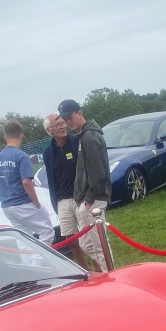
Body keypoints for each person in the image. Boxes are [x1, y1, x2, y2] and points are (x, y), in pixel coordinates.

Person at [58, 99, 110, 271]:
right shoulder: (84, 136)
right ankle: (109, 271)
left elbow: (98, 172)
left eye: (70, 117)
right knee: (86, 244)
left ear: (79, 113)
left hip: (94, 198)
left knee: (99, 247)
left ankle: (110, 275)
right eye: (65, 119)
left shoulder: (90, 137)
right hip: (86, 199)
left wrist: (89, 199)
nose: (68, 122)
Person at [42, 112, 93, 268]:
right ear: (49, 131)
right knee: (71, 241)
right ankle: (85, 271)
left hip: (80, 197)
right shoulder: (48, 153)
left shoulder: (77, 142)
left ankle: (100, 269)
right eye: (57, 124)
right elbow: (52, 180)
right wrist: (55, 203)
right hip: (62, 201)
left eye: (63, 123)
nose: (62, 126)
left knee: (90, 239)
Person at [0, 119, 55, 244]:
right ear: (21, 135)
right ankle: (40, 256)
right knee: (47, 232)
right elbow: (26, 182)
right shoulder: (21, 156)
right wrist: (36, 203)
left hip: (7, 205)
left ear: (5, 136)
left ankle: (29, 256)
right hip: (21, 202)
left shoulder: (0, 157)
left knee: (24, 239)